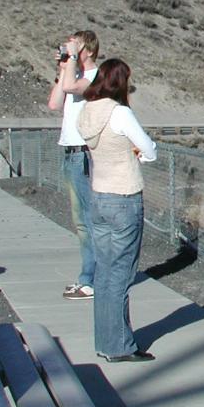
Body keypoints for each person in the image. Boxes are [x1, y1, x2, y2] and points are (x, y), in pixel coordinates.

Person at [77, 59, 157, 362]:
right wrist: (139, 154)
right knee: (121, 274)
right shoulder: (119, 113)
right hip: (124, 196)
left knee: (104, 271)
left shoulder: (87, 111)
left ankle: (105, 340)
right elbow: (147, 148)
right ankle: (120, 345)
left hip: (98, 194)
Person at [46, 30, 99, 301]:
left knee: (88, 221)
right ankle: (88, 276)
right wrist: (64, 67)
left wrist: (71, 65)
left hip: (83, 154)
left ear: (87, 50)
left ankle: (91, 280)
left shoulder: (94, 78)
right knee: (80, 220)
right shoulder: (72, 76)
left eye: (75, 46)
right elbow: (55, 102)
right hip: (69, 151)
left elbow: (70, 88)